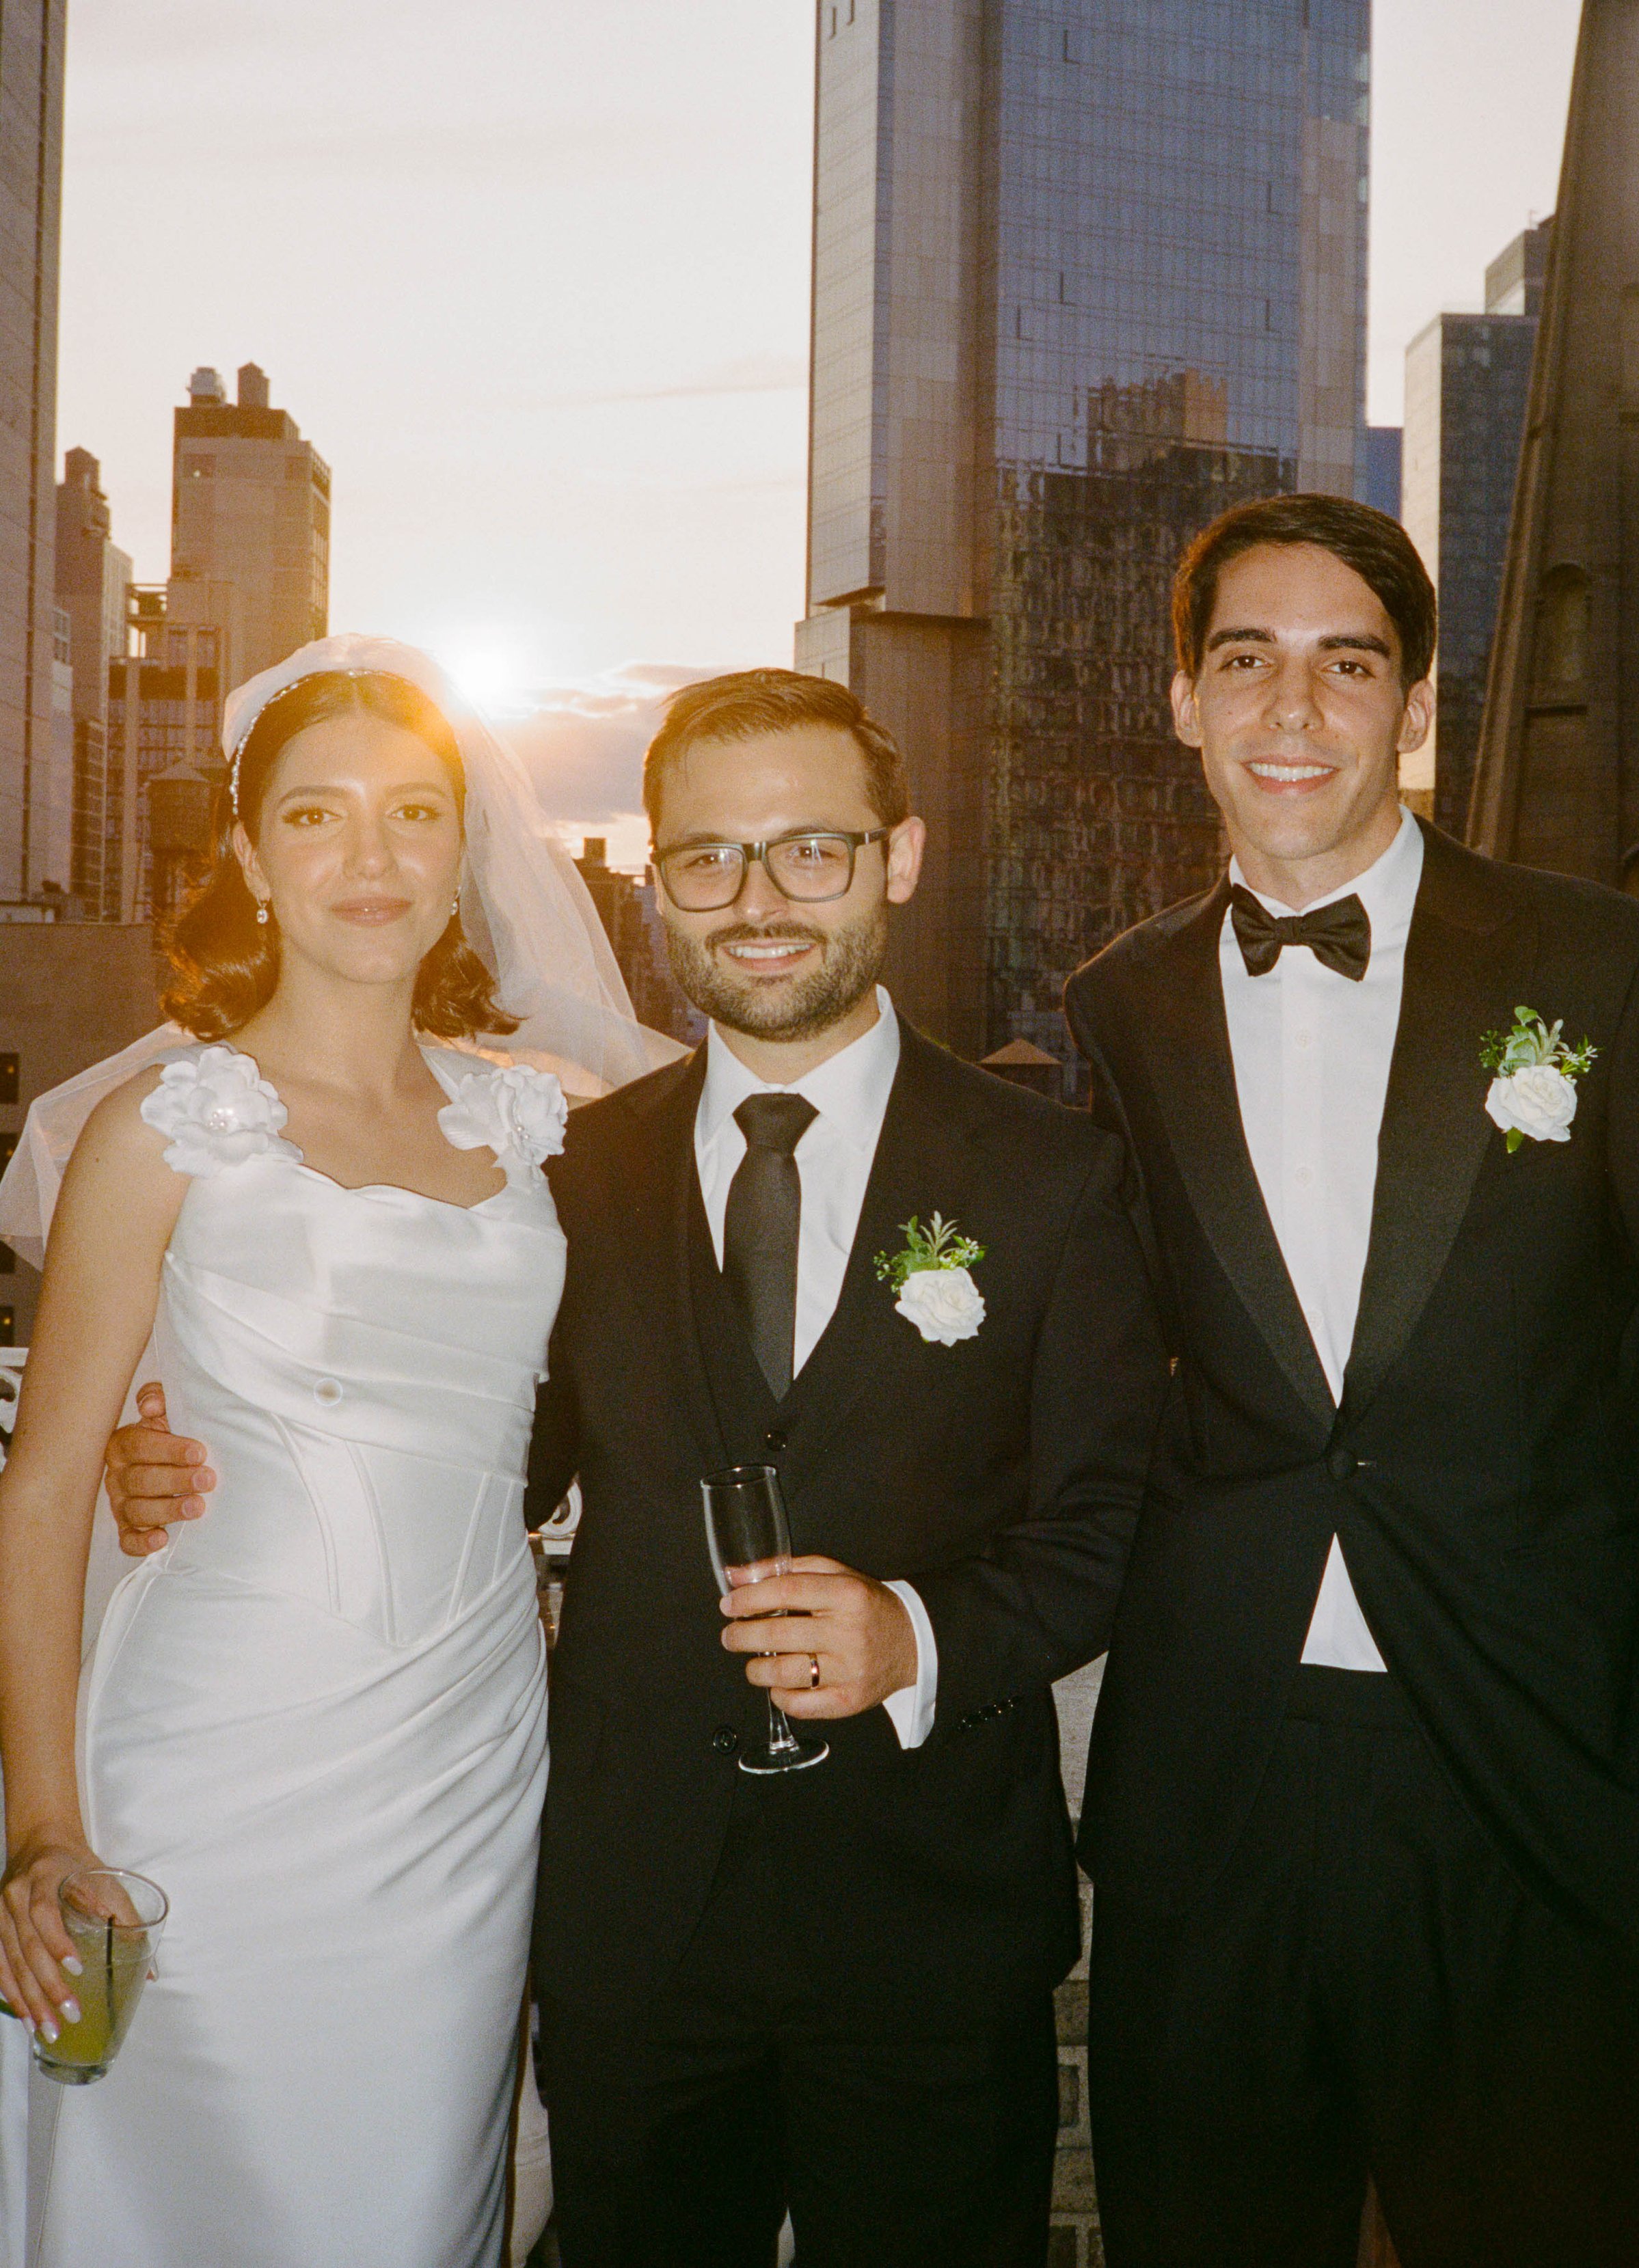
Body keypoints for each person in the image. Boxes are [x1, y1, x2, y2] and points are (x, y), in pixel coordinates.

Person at [109, 665, 1165, 2267]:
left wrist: (918, 1634)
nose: (755, 902)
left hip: (928, 1927)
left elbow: (1108, 1522)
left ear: (898, 856)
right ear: (655, 872)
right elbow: (475, 1450)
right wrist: (202, 1456)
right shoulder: (564, 1166)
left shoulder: (1052, 1178)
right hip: (628, 1916)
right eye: (705, 858)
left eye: (810, 850)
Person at [1064, 493, 1639, 2267]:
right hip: (1211, 1795)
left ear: (1412, 708)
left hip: (1525, 1784)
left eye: (1344, 665)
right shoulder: (1115, 1010)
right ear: (1182, 701)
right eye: (1244, 661)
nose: (1292, 710)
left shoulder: (1611, 976)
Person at [0, 634, 665, 2268]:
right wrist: (39, 1825)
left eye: (414, 813)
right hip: (205, 1751)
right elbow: (45, 1478)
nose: (370, 860)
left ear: (465, 849)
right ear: (247, 853)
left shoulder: (552, 1122)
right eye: (315, 817)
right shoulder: (160, 1132)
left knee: (402, 2189)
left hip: (462, 1757)